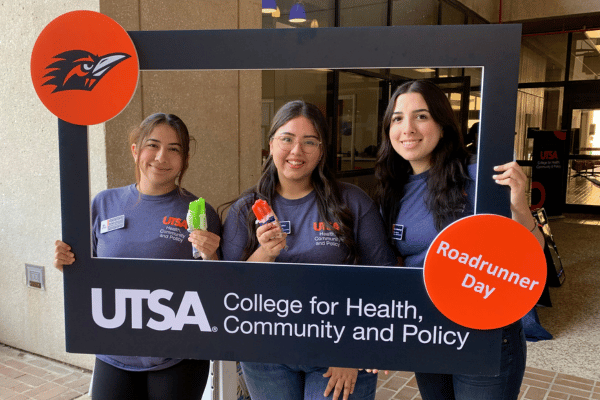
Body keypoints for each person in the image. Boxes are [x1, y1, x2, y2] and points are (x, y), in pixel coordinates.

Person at [374, 80, 545, 400]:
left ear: (442, 123)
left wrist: (520, 206)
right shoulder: (392, 189)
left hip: (483, 333)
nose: (407, 128)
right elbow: (393, 266)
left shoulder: (479, 176)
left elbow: (531, 257)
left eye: (421, 116)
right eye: (397, 118)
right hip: (427, 332)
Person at [221, 100, 397, 400]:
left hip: (338, 349)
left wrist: (354, 351)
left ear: (322, 150)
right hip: (266, 352)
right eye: (287, 139)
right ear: (271, 143)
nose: (296, 151)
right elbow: (230, 290)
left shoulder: (353, 203)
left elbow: (383, 280)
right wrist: (265, 252)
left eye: (309, 141)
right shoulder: (246, 209)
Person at [54, 113, 221, 400]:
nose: (161, 157)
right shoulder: (103, 204)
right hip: (113, 353)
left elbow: (217, 287)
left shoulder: (199, 212)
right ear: (135, 150)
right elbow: (86, 272)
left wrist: (212, 256)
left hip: (177, 357)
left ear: (185, 159)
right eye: (152, 145)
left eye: (174, 149)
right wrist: (65, 262)